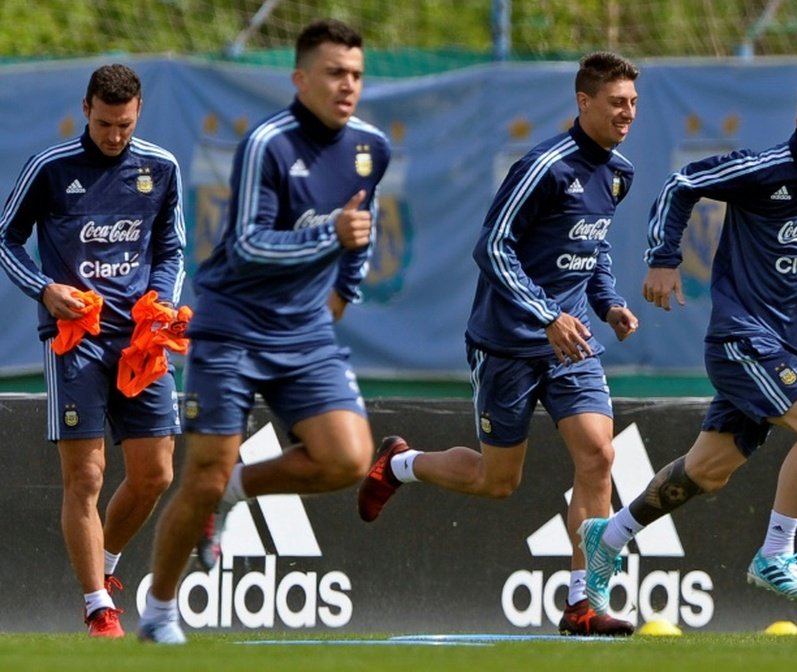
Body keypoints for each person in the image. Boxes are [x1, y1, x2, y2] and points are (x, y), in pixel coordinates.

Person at [579, 68, 797, 615]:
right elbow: (680, 184)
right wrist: (664, 260)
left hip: (787, 349)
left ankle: (610, 536)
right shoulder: (766, 169)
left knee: (708, 470)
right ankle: (775, 553)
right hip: (743, 341)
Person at [356, 52, 640, 637]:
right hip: (509, 342)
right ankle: (400, 464)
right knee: (498, 480)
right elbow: (492, 248)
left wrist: (608, 302)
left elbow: (594, 247)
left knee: (599, 455)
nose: (627, 113)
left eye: (633, 103)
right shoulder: (544, 167)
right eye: (616, 103)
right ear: (584, 102)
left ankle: (583, 602)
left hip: (572, 344)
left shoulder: (619, 173)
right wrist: (544, 315)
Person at [136, 19, 390, 644]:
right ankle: (159, 615)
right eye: (334, 73)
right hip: (232, 329)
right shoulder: (268, 143)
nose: (347, 85)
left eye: (355, 74)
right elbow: (247, 244)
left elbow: (364, 225)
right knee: (200, 475)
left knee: (349, 458)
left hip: (304, 333)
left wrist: (344, 287)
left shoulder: (370, 146)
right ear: (300, 78)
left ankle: (236, 491)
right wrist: (327, 235)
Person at [0, 64, 186, 638]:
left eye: (125, 125)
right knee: (86, 476)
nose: (114, 136)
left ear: (138, 113)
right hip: (75, 338)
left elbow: (172, 248)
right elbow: (4, 237)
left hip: (140, 341)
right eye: (105, 123)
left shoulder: (161, 166)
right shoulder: (51, 169)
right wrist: (44, 289)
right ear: (86, 109)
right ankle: (98, 608)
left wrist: (161, 302)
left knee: (155, 473)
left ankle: (105, 567)